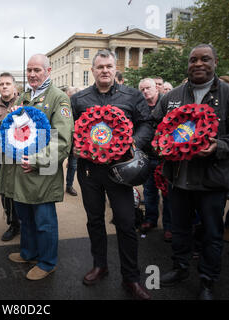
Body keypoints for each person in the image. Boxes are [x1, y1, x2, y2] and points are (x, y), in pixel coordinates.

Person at [71, 49, 154, 300]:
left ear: (114, 70)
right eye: (100, 67)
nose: (105, 70)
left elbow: (147, 124)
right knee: (94, 220)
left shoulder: (132, 95)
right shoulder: (80, 99)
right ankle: (100, 265)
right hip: (89, 170)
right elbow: (73, 129)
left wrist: (132, 144)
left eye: (108, 66)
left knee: (126, 223)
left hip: (121, 172)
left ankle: (131, 278)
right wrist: (75, 145)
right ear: (93, 70)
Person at [153, 44, 229, 300]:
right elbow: (156, 128)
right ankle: (180, 268)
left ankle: (207, 281)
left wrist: (219, 146)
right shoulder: (171, 96)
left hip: (211, 182)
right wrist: (157, 145)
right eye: (193, 60)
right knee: (180, 229)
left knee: (211, 233)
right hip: (178, 179)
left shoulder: (228, 95)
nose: (198, 64)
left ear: (215, 62)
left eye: (205, 59)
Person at [0, 54, 73, 280]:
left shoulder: (58, 98)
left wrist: (37, 160)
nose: (32, 74)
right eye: (29, 70)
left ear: (48, 71)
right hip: (21, 171)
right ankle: (29, 252)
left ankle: (48, 262)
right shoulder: (24, 96)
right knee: (26, 218)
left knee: (44, 222)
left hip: (41, 172)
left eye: (37, 70)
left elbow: (62, 140)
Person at [138, 78, 172, 242]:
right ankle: (151, 219)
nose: (145, 91)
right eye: (142, 89)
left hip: (165, 158)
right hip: (147, 156)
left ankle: (169, 226)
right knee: (149, 191)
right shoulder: (139, 107)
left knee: (168, 194)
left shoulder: (166, 105)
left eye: (148, 88)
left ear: (156, 88)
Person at [0, 72, 20, 241]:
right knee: (5, 190)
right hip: (1, 155)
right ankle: (12, 222)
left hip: (22, 156)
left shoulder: (25, 104)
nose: (5, 86)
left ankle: (24, 221)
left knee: (23, 188)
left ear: (14, 86)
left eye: (8, 83)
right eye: (1, 84)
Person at [65, 86, 79, 196]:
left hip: (75, 139)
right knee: (55, 162)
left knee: (73, 165)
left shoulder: (78, 106)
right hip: (62, 138)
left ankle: (69, 185)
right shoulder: (62, 105)